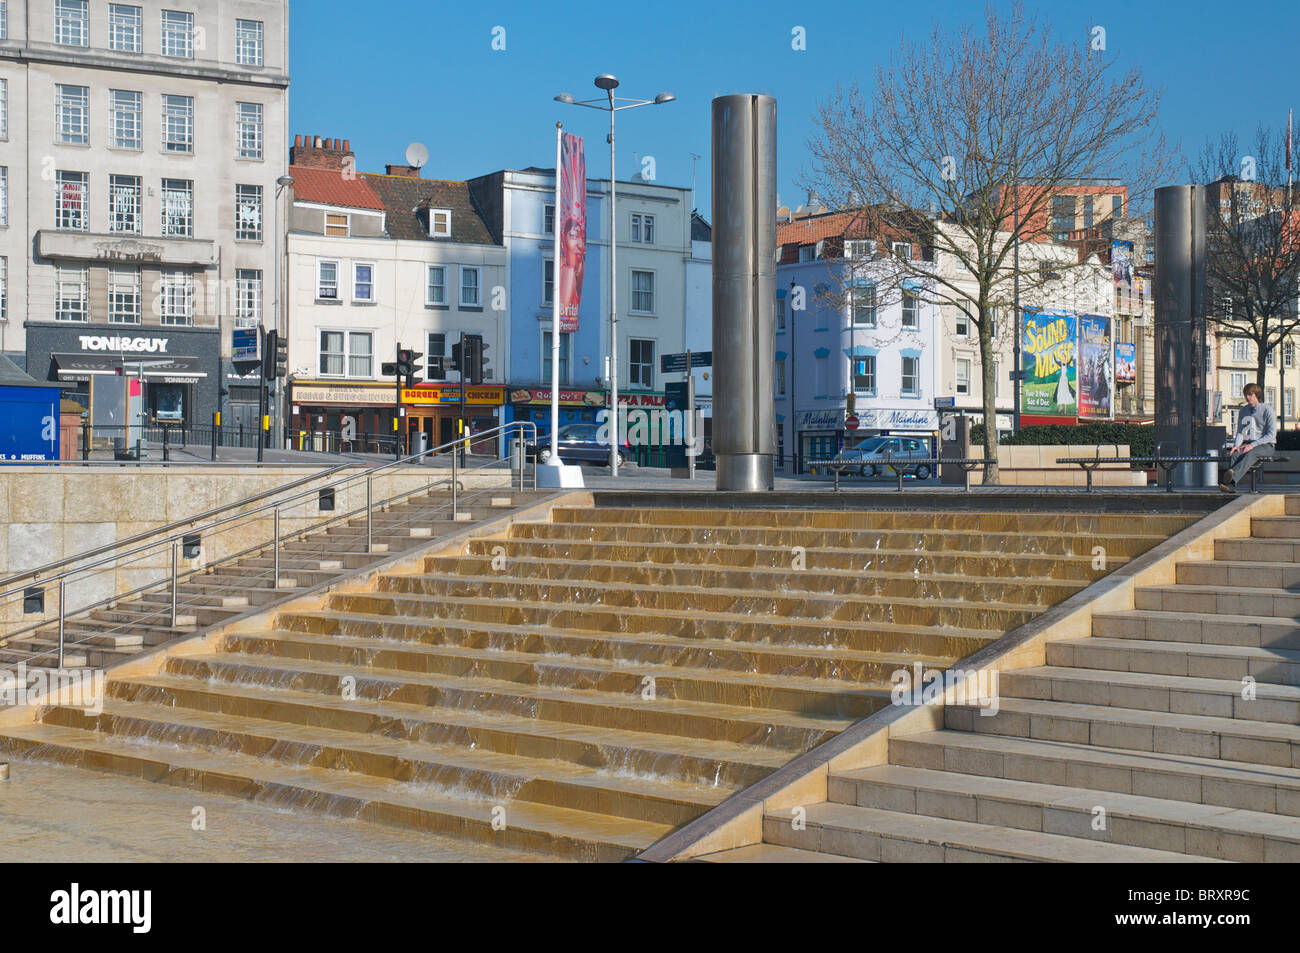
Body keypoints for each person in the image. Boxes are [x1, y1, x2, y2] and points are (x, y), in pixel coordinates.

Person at [1220, 383, 1277, 492]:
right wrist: (1236, 445)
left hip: (1266, 445)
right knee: (1235, 454)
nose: (1247, 397)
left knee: (1252, 453)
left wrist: (1252, 445)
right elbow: (1241, 431)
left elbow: (1271, 435)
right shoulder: (1243, 410)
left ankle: (1230, 480)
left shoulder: (1267, 410)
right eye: (1246, 395)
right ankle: (1230, 487)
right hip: (1249, 443)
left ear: (1257, 395)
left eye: (1250, 395)